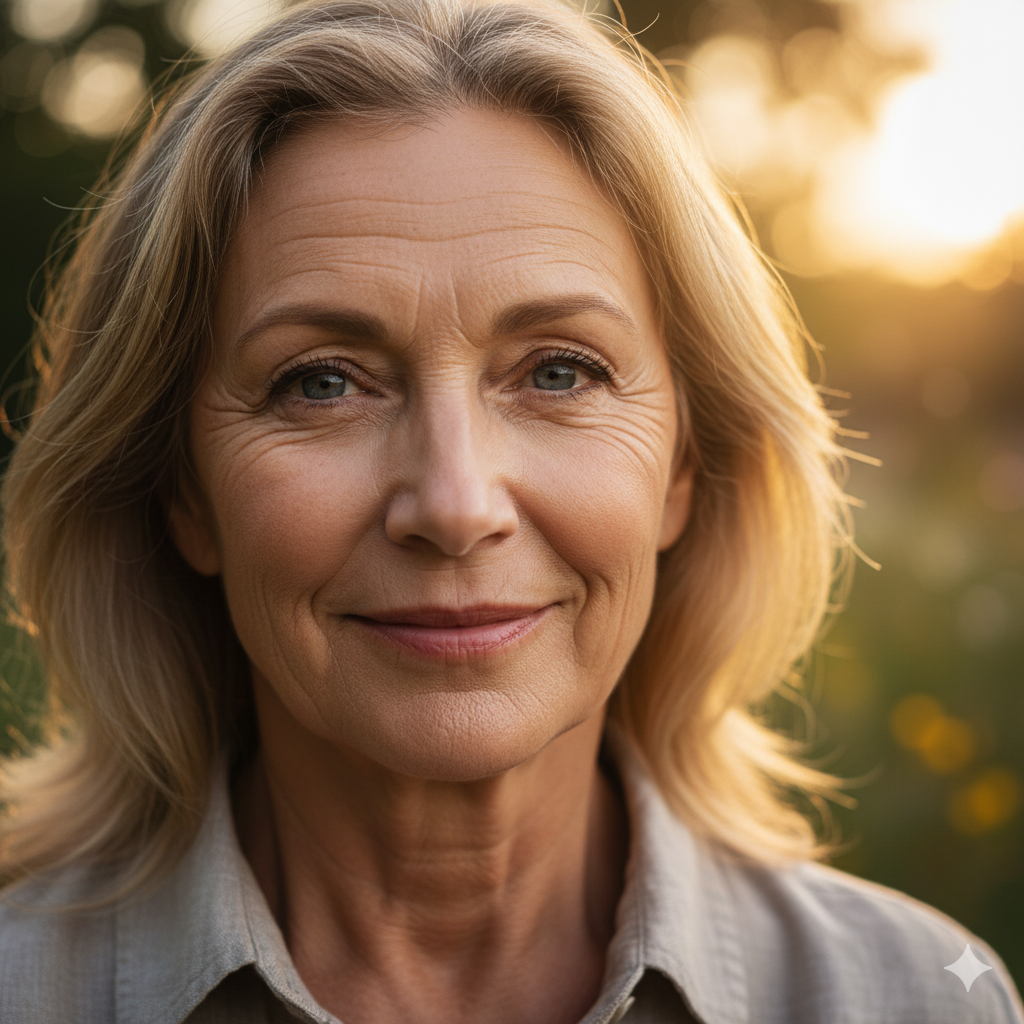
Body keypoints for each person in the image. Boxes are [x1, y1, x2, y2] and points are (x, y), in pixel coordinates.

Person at [0, 1, 1020, 1021]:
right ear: (183, 489)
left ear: (681, 464)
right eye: (320, 382)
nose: (454, 504)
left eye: (560, 371)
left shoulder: (919, 997)